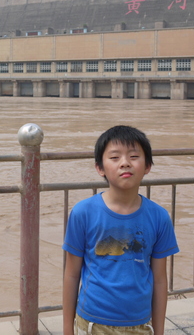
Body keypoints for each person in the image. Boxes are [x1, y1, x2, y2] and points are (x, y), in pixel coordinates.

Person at [63, 125, 179, 335]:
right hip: (91, 324)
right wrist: (67, 330)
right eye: (115, 157)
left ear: (147, 166)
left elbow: (160, 279)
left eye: (134, 156)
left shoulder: (159, 217)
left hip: (140, 325)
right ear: (100, 168)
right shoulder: (83, 213)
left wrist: (159, 331)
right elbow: (72, 274)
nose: (125, 163)